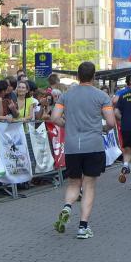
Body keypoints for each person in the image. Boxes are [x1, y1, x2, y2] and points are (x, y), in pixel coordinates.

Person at [51, 62, 116, 238]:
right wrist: (104, 129)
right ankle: (82, 227)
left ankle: (67, 207)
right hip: (93, 145)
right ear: (94, 76)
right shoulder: (102, 96)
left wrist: (66, 125)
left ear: (78, 76)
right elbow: (111, 122)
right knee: (89, 185)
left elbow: (54, 117)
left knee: (74, 183)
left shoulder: (66, 95)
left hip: (72, 146)